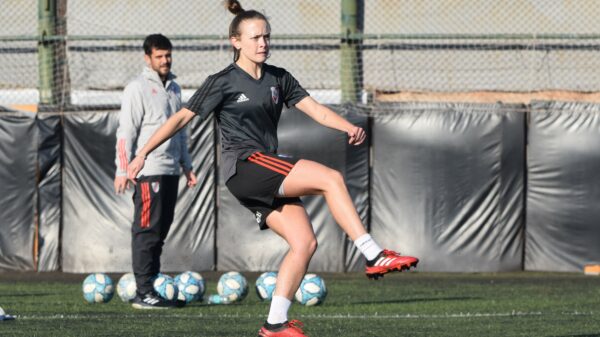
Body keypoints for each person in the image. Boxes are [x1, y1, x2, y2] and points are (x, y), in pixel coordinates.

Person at [127, 1, 418, 334]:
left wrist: (347, 127)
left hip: (263, 173)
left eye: (266, 36)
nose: (262, 43)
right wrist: (142, 153)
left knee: (305, 243)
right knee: (331, 178)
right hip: (246, 166)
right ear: (235, 42)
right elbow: (180, 118)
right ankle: (372, 253)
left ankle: (274, 324)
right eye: (254, 38)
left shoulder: (279, 78)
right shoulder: (222, 81)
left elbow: (318, 111)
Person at [114, 34, 197, 309]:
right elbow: (126, 132)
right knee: (146, 230)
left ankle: (153, 287)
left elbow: (180, 130)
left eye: (168, 55)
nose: (165, 60)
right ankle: (143, 292)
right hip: (148, 171)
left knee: (160, 232)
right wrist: (123, 170)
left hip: (171, 170)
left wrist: (187, 165)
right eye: (159, 56)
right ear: (147, 58)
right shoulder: (136, 88)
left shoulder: (174, 88)